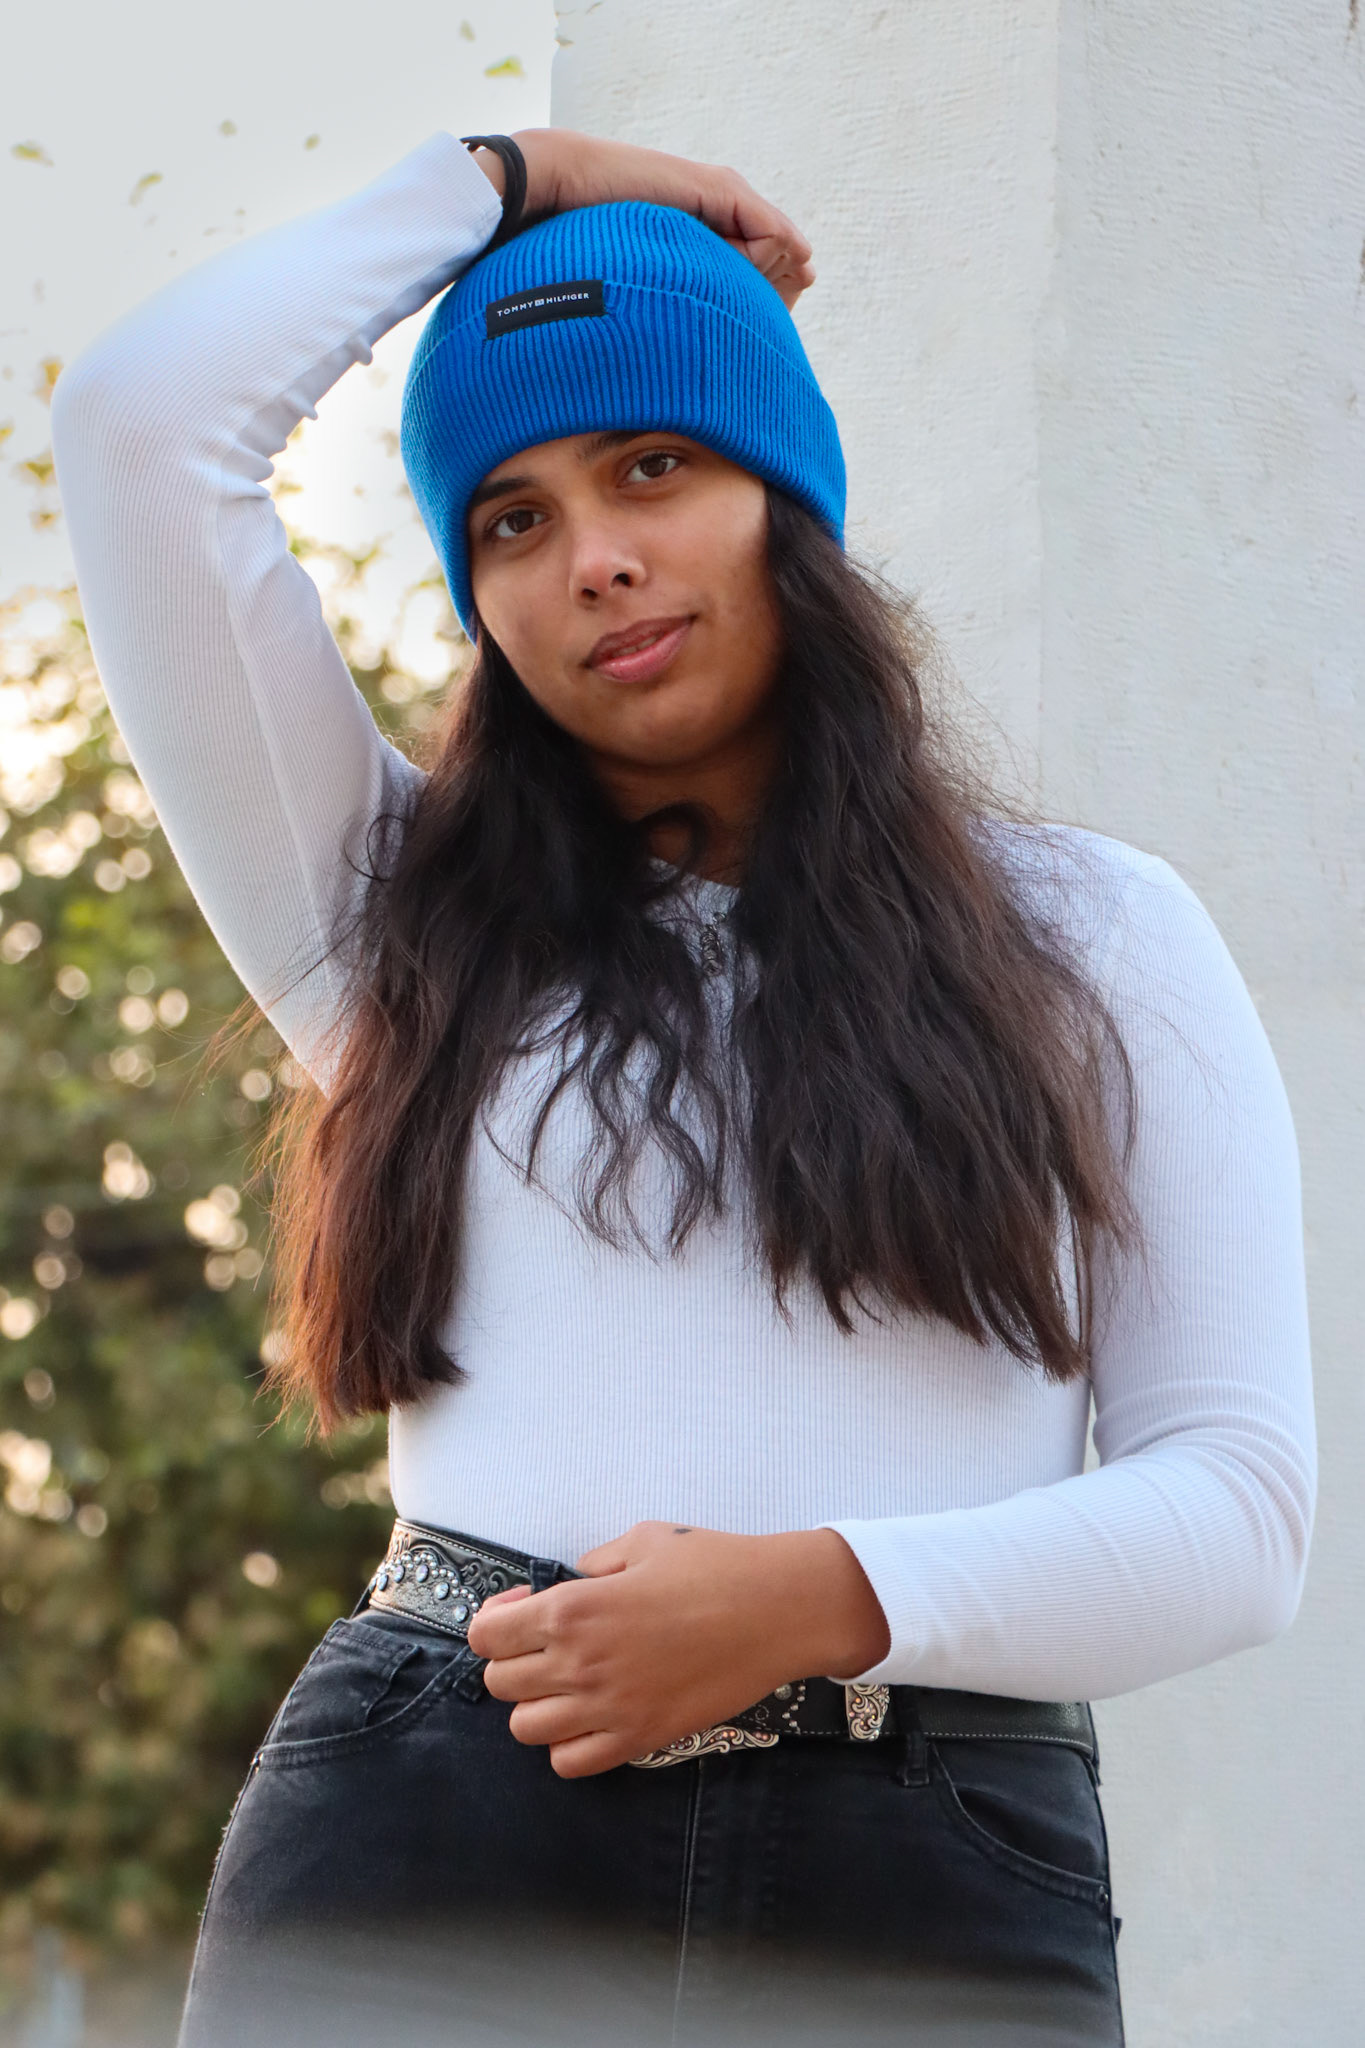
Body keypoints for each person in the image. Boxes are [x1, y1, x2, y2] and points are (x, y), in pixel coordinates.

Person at [50, 122, 1316, 2048]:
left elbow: (1236, 1512)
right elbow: (142, 428)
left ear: (782, 495)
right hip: (432, 1845)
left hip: (930, 1885)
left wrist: (815, 1597)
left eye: (651, 465)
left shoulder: (1092, 935)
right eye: (510, 520)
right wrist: (505, 179)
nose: (595, 561)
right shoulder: (393, 929)